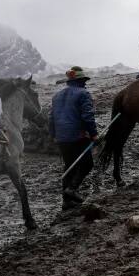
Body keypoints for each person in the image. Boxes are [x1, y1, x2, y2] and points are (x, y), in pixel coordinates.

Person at [49, 67, 99, 209]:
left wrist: (53, 135)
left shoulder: (56, 96)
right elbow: (87, 116)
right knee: (87, 164)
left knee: (69, 166)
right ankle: (72, 189)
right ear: (80, 81)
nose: (85, 83)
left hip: (62, 138)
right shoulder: (83, 93)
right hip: (78, 136)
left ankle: (66, 201)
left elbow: (51, 118)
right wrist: (94, 134)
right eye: (84, 81)